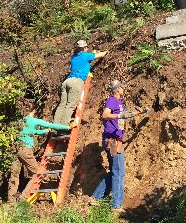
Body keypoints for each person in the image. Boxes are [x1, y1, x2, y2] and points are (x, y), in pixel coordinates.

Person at [91, 80, 142, 212]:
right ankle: (116, 205)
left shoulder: (119, 103)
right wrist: (120, 115)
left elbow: (125, 114)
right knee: (119, 172)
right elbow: (105, 114)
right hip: (112, 141)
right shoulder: (111, 100)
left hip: (116, 140)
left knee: (116, 171)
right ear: (117, 89)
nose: (123, 89)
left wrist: (138, 112)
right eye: (122, 88)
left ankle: (96, 197)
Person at [8, 106, 72, 200]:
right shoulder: (33, 121)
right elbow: (52, 125)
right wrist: (67, 127)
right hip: (25, 150)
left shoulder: (20, 121)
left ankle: (10, 201)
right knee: (36, 173)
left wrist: (43, 131)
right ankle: (24, 196)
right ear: (33, 110)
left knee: (14, 176)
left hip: (16, 150)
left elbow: (31, 131)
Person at [53, 40, 106, 125]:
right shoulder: (86, 55)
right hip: (76, 82)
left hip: (67, 82)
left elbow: (85, 59)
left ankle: (55, 126)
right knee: (70, 105)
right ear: (84, 48)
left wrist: (92, 53)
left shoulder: (74, 56)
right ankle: (63, 128)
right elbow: (100, 55)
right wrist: (105, 52)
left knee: (62, 105)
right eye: (86, 47)